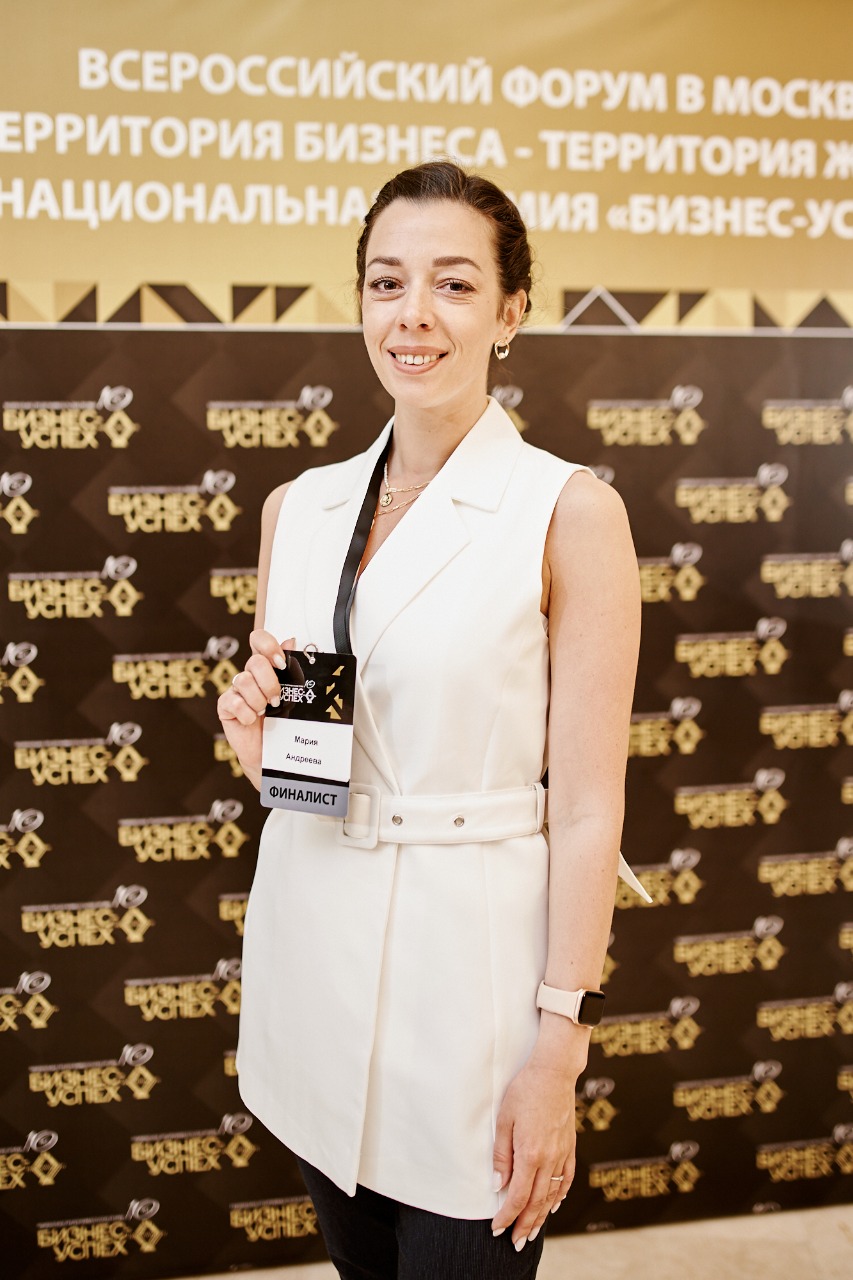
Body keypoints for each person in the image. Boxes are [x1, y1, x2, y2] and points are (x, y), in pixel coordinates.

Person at [216, 160, 643, 1280]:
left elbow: (588, 809)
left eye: (453, 284)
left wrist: (558, 1049)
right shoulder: (299, 509)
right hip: (312, 959)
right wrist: (260, 751)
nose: (413, 314)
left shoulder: (569, 511)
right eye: (386, 281)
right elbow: (309, 773)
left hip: (473, 995)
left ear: (510, 313)